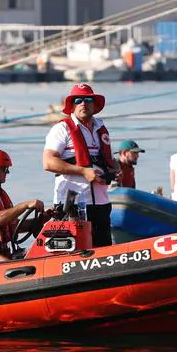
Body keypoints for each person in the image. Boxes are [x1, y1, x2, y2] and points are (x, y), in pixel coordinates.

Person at [42, 83, 116, 247]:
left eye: (88, 99)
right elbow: (48, 162)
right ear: (72, 105)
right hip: (73, 204)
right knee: (76, 252)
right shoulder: (61, 129)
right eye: (78, 100)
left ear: (94, 104)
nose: (83, 103)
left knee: (103, 249)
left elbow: (106, 160)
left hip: (101, 204)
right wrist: (82, 171)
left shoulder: (100, 128)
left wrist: (115, 169)